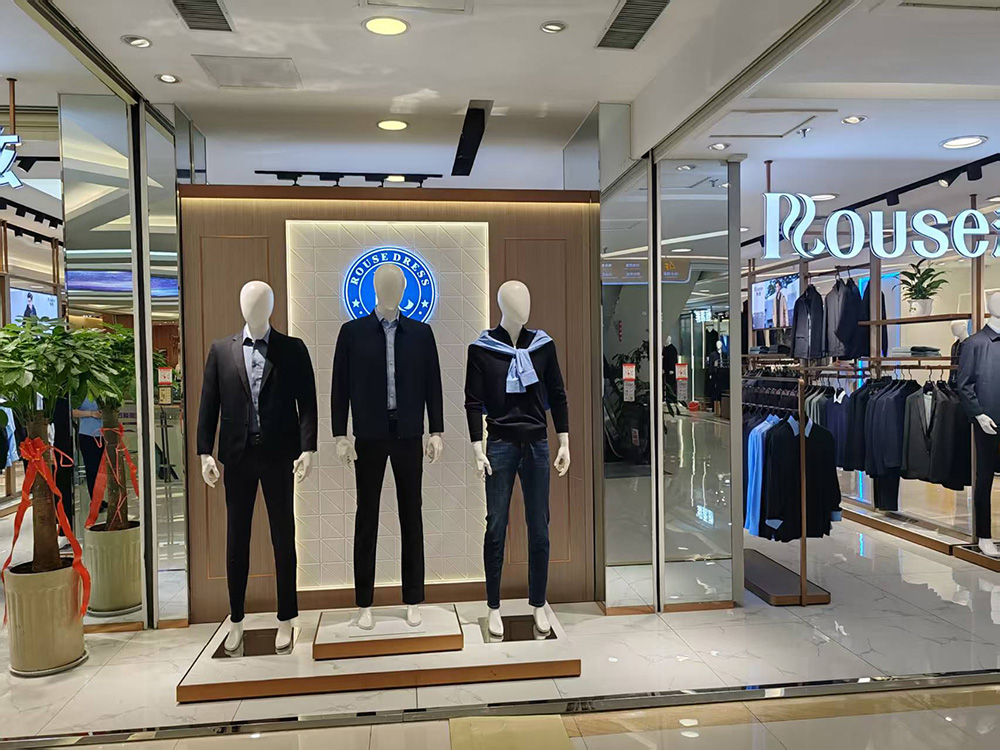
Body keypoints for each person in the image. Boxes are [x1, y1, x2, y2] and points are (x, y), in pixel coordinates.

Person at [73, 397, 103, 503]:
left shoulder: (103, 392)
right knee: (92, 470)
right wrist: (91, 413)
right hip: (88, 435)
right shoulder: (82, 393)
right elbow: (73, 412)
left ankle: (101, 499)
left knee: (102, 470)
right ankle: (95, 501)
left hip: (104, 434)